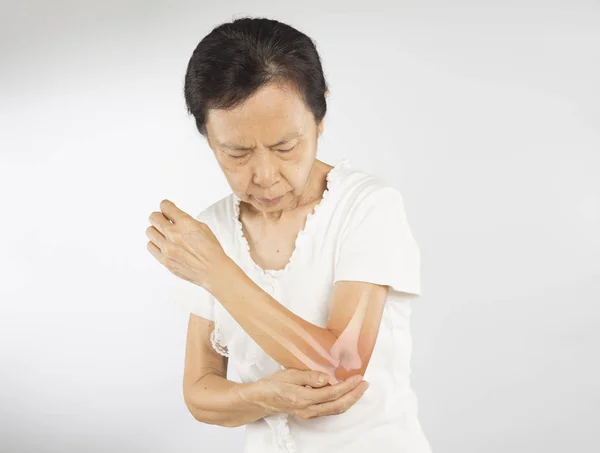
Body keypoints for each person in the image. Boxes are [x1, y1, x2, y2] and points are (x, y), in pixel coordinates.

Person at [150, 17, 432, 453]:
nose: (264, 176)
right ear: (208, 138)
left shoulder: (367, 207)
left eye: (285, 147)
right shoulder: (213, 231)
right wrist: (265, 395)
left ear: (320, 116)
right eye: (237, 153)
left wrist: (217, 273)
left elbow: (341, 367)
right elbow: (200, 393)